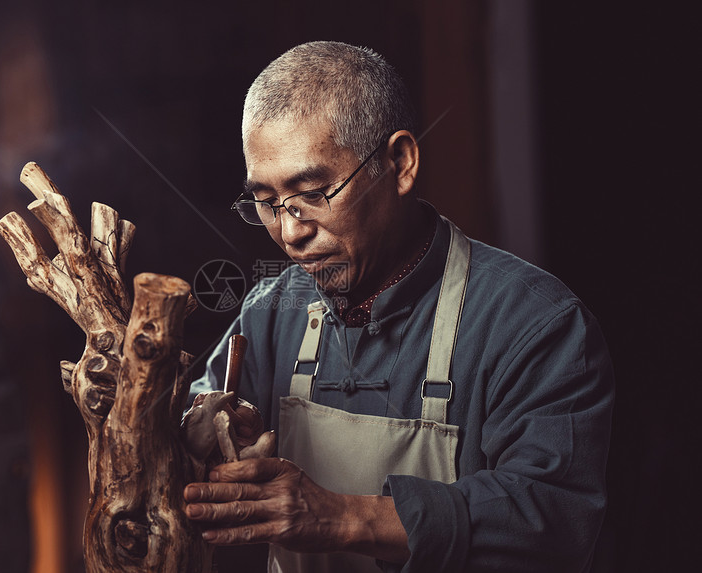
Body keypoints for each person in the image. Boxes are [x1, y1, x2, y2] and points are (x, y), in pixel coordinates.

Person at [183, 41, 613, 573]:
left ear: (400, 163)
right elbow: (199, 411)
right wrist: (207, 434)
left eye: (314, 192)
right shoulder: (272, 311)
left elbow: (550, 518)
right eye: (267, 204)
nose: (290, 232)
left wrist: (342, 518)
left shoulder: (536, 324)